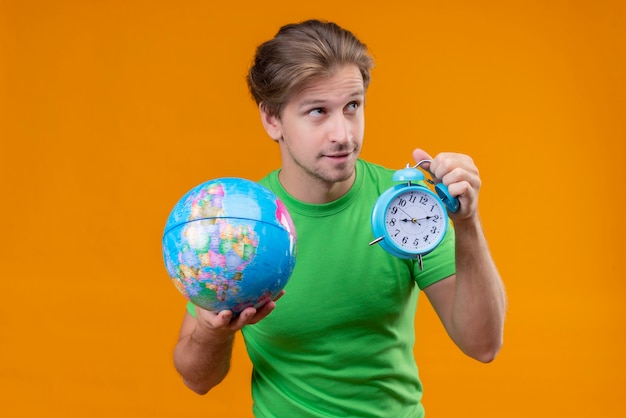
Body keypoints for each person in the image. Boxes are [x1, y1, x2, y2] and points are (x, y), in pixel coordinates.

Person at [173, 19, 507, 417]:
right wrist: (212, 333)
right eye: (317, 111)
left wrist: (467, 222)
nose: (343, 134)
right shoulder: (239, 222)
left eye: (352, 106)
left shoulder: (406, 204)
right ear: (272, 119)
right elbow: (197, 379)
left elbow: (482, 344)